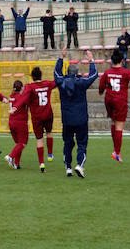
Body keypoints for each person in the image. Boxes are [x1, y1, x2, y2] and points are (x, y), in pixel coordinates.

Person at [54, 48, 98, 178]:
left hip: (67, 119)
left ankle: (68, 167)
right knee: (82, 143)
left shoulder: (61, 82)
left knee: (68, 142)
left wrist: (61, 57)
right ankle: (79, 165)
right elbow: (93, 75)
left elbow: (56, 73)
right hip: (81, 118)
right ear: (77, 72)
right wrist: (91, 60)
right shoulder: (81, 83)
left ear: (67, 72)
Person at [12, 66, 57, 172]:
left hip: (37, 117)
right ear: (41, 75)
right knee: (49, 133)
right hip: (48, 114)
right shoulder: (47, 84)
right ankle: (50, 154)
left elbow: (23, 98)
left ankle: (41, 163)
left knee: (39, 139)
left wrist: (15, 107)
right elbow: (57, 82)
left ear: (32, 77)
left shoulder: (30, 87)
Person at [3, 80, 29, 169]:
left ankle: (16, 164)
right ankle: (10, 156)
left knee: (18, 144)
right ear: (21, 88)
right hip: (20, 122)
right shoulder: (21, 97)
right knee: (23, 143)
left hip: (11, 122)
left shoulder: (11, 96)